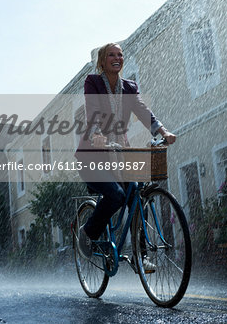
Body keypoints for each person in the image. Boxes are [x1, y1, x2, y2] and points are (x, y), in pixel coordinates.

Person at [75, 43, 176, 270]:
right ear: (102, 61)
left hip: (120, 153)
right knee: (116, 195)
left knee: (137, 199)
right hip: (93, 155)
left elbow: (142, 109)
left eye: (120, 54)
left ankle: (141, 254)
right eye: (111, 54)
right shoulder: (93, 82)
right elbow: (91, 109)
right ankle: (87, 232)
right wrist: (96, 134)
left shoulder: (129, 87)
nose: (117, 57)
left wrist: (163, 131)